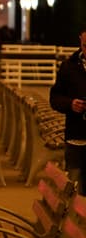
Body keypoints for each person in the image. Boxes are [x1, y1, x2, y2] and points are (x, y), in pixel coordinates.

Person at [48, 25, 86, 191]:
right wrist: (71, 104)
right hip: (75, 136)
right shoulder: (68, 67)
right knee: (74, 186)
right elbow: (55, 98)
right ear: (80, 41)